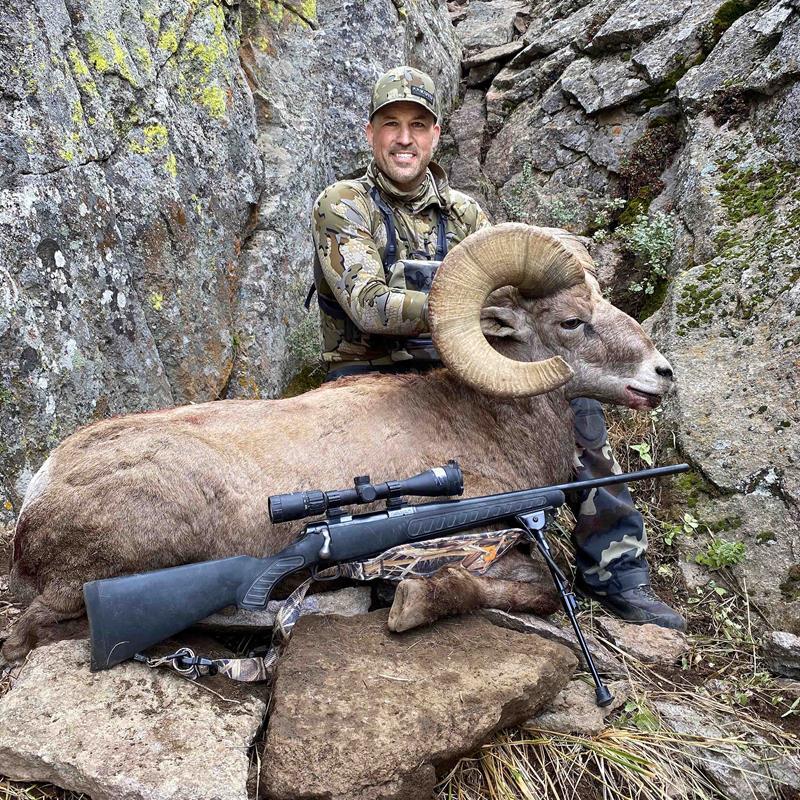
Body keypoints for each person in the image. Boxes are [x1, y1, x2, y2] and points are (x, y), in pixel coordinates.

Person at [309, 66, 685, 630]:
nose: (404, 138)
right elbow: (367, 305)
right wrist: (458, 308)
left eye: (418, 125)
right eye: (391, 125)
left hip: (459, 366)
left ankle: (616, 570)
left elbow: (513, 299)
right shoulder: (344, 204)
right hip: (369, 371)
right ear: (371, 133)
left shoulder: (464, 214)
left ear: (436, 136)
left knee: (570, 401)